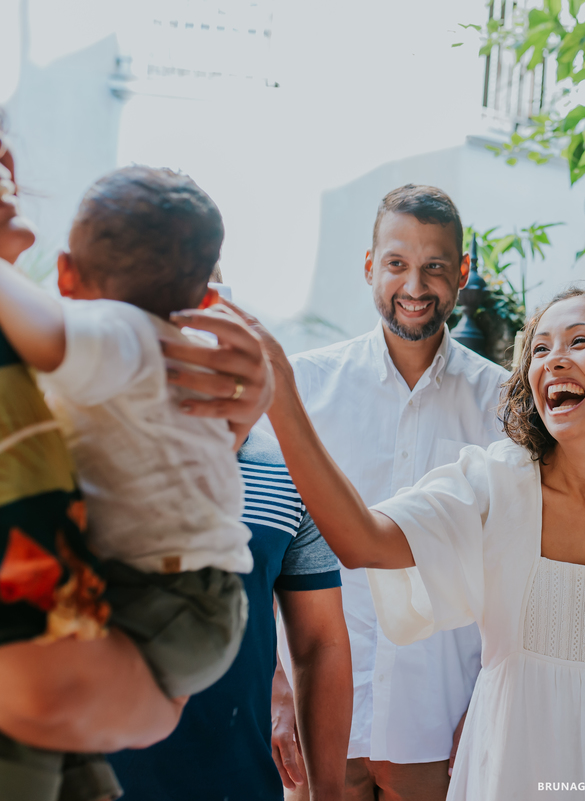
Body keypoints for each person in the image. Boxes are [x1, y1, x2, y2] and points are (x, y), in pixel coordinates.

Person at [242, 281, 585, 800]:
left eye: (579, 341)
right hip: (507, 774)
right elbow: (361, 540)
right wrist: (282, 399)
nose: (553, 359)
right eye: (540, 348)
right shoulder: (492, 484)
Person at [0, 164, 260, 798]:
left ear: (64, 274)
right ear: (201, 298)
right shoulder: (158, 347)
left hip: (167, 596)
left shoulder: (118, 336)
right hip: (188, 599)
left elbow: (54, 335)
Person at [264, 184, 509, 801]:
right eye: (397, 264)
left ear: (462, 271)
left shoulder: (505, 407)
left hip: (440, 716)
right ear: (371, 266)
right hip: (318, 714)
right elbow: (267, 548)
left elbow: (512, 567)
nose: (415, 286)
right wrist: (276, 688)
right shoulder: (304, 391)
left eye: (434, 267)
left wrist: (485, 706)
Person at [108, 270, 353, 801]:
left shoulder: (290, 471)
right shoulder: (65, 449)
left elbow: (321, 642)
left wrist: (328, 793)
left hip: (238, 782)